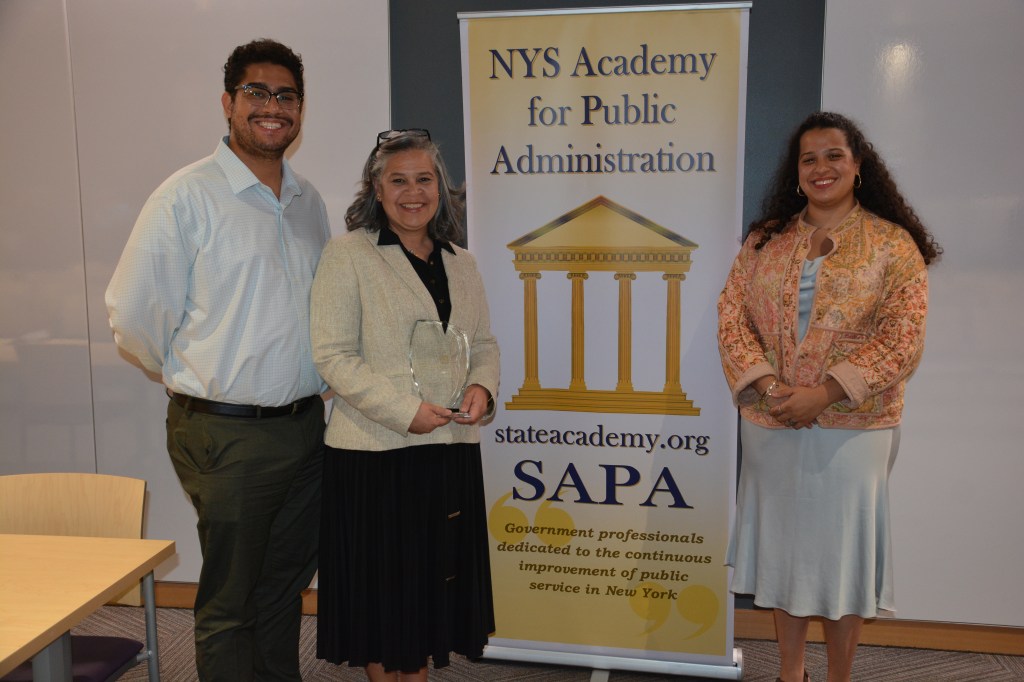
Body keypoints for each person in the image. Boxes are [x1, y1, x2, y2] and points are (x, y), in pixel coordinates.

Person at [105, 39, 329, 681]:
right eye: (256, 93)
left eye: (286, 95)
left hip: (304, 427)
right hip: (226, 433)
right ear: (228, 103)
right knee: (231, 598)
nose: (272, 107)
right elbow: (134, 316)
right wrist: (198, 380)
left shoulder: (308, 201)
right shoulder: (185, 197)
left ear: (300, 109)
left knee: (283, 586)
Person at [717, 111, 941, 682]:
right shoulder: (765, 240)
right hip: (771, 421)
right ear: (797, 172)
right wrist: (771, 388)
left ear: (857, 165)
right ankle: (791, 672)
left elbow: (903, 337)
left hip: (854, 429)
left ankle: (840, 675)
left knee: (841, 563)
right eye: (809, 158)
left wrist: (825, 393)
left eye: (834, 155)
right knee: (785, 557)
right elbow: (732, 317)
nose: (822, 168)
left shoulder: (893, 245)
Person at [310, 129, 499, 681]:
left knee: (429, 590)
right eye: (398, 181)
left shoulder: (462, 262)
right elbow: (333, 356)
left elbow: (484, 344)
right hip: (376, 454)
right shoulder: (348, 255)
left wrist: (483, 388)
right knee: (384, 595)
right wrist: (403, 411)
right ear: (377, 189)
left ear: (440, 187)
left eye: (424, 180)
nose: (413, 193)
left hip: (449, 449)